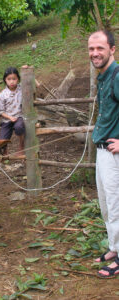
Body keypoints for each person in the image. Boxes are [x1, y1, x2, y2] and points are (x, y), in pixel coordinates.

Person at [87, 30, 119, 278]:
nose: (95, 53)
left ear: (112, 49)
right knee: (106, 205)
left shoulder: (117, 76)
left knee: (117, 206)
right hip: (103, 151)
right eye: (91, 49)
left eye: (100, 48)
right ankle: (114, 248)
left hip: (114, 153)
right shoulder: (104, 77)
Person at [0, 67, 25, 155]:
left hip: (19, 116)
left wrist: (27, 70)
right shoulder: (2, 95)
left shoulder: (22, 89)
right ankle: (5, 149)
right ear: (5, 80)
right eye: (9, 79)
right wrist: (10, 117)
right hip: (7, 119)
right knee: (2, 140)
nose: (12, 81)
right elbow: (1, 111)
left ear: (18, 79)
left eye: (14, 79)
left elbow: (35, 84)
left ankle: (21, 145)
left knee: (19, 127)